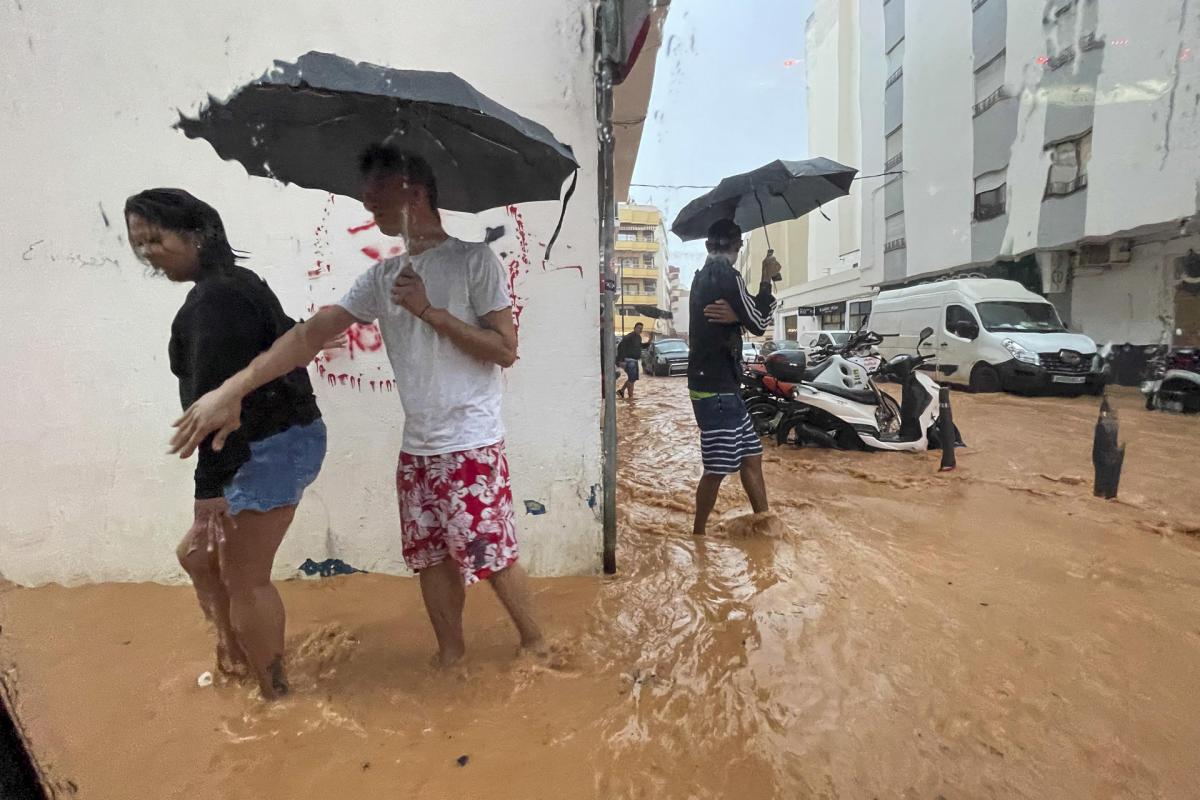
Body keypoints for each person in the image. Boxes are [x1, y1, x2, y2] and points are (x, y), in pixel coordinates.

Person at [168, 145, 545, 668]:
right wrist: (233, 388)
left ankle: (537, 644)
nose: (366, 202)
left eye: (376, 191)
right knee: (431, 558)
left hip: (472, 442)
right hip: (418, 448)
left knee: (492, 554)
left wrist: (429, 311)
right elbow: (309, 335)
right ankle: (450, 658)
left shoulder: (473, 261)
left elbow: (504, 350)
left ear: (413, 192)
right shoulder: (382, 277)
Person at [125, 189, 327, 699]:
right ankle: (236, 651)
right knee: (197, 557)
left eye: (156, 239)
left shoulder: (214, 300)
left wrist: (208, 492)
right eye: (138, 243)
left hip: (267, 447)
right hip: (284, 438)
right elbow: (287, 338)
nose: (147, 253)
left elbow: (214, 414)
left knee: (246, 579)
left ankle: (274, 695)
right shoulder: (238, 283)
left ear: (197, 235)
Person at [687, 219, 781, 536]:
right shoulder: (729, 276)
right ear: (738, 246)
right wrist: (766, 279)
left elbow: (736, 319)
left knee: (752, 456)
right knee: (716, 470)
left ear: (707, 245)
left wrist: (737, 317)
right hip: (717, 391)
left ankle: (765, 523)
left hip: (720, 387)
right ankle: (698, 535)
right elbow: (760, 321)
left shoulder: (700, 278)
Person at [616, 323, 645, 400]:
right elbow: (620, 348)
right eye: (638, 328)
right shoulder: (628, 337)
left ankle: (621, 391)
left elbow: (640, 346)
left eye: (641, 328)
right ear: (634, 328)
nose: (640, 330)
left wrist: (649, 341)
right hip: (629, 361)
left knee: (632, 379)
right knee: (632, 379)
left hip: (635, 361)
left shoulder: (638, 338)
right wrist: (621, 360)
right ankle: (631, 398)